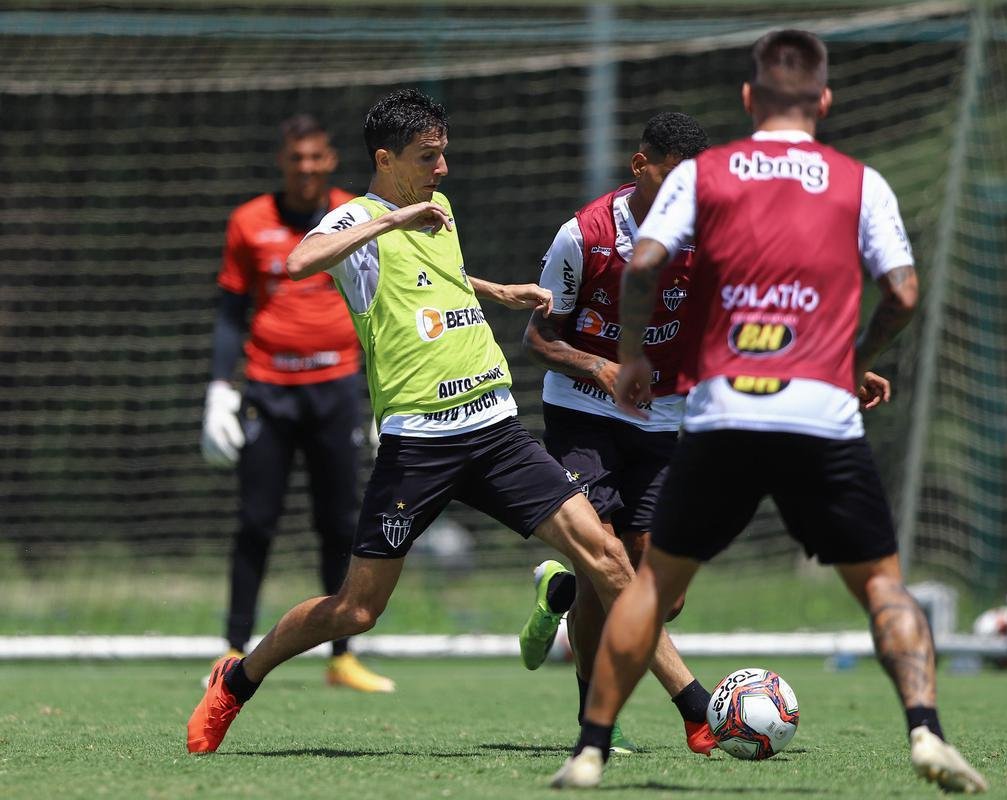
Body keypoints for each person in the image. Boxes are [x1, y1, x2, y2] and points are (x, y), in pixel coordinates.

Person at [187, 89, 716, 757]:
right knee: (357, 609)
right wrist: (391, 220)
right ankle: (237, 680)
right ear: (386, 158)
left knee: (606, 557)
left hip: (494, 429)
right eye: (427, 157)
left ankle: (698, 713)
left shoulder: (439, 210)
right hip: (421, 443)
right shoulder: (354, 221)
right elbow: (296, 265)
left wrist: (500, 293)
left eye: (443, 155)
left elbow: (444, 277)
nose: (442, 169)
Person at [552, 30, 989, 793]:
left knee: (651, 588)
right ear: (824, 101)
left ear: (750, 100)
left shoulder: (709, 174)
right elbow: (906, 294)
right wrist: (850, 361)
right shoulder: (860, 180)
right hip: (819, 412)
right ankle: (925, 731)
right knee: (884, 585)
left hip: (723, 413)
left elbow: (645, 264)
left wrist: (633, 354)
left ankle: (590, 749)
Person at [518, 112, 713, 754]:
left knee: (662, 594)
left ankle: (560, 589)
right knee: (607, 556)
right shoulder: (584, 235)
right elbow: (539, 337)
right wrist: (598, 366)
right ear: (640, 166)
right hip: (583, 412)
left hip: (663, 418)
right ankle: (594, 719)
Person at [200, 114, 393, 693]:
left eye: (316, 158)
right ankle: (233, 650)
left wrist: (389, 395)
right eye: (296, 158)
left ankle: (342, 657)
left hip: (336, 391)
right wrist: (218, 389)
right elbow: (232, 313)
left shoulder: (356, 218)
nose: (306, 168)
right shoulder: (248, 222)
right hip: (268, 391)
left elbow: (387, 306)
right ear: (283, 162)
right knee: (254, 524)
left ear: (331, 160)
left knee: (339, 524)